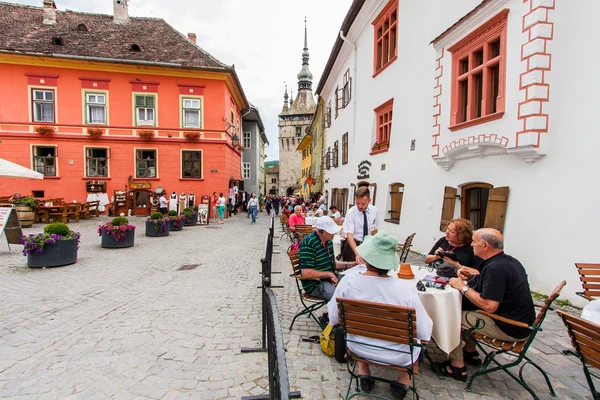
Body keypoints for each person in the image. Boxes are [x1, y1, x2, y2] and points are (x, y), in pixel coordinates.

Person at [328, 231, 433, 398]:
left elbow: (333, 318)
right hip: (399, 356)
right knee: (417, 339)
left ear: (367, 258)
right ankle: (403, 381)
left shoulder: (348, 283)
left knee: (359, 327)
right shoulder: (405, 290)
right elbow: (424, 333)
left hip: (358, 347)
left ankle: (364, 371)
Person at [434, 228, 536, 381]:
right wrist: (474, 276)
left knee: (451, 316)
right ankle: (470, 352)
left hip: (509, 326)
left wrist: (463, 286)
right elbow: (494, 284)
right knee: (466, 309)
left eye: (474, 242)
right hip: (521, 322)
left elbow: (489, 306)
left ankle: (457, 366)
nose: (472, 244)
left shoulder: (495, 269)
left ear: (485, 245)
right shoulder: (508, 261)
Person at [299, 216, 358, 301]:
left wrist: (350, 264)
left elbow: (332, 263)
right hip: (315, 283)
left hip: (329, 278)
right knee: (340, 298)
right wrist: (329, 274)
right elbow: (306, 273)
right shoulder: (309, 242)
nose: (334, 233)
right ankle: (338, 313)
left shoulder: (328, 242)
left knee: (353, 283)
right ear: (320, 231)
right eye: (331, 231)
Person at [341, 187, 379, 263]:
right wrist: (357, 254)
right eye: (357, 203)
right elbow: (349, 236)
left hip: (367, 246)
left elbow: (374, 229)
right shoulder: (351, 213)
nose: (360, 206)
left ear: (369, 200)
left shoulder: (374, 211)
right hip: (353, 247)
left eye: (363, 204)